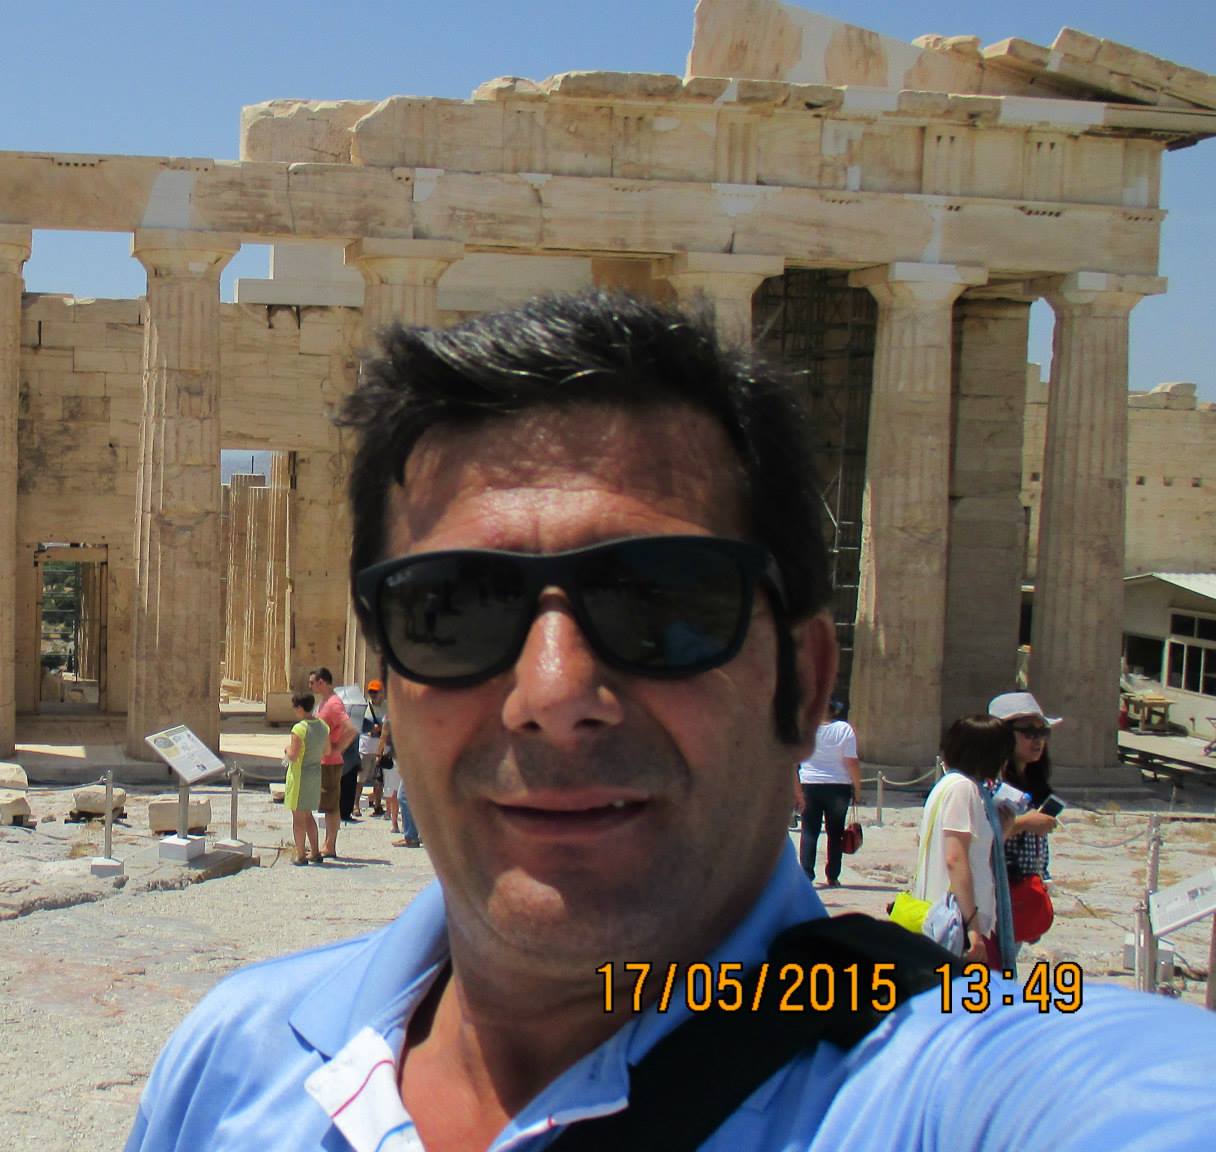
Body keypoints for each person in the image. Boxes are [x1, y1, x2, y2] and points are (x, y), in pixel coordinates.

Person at [126, 292, 1216, 1152]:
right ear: (388, 683)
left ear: (804, 683)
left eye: (662, 602)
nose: (553, 692)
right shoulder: (229, 1061)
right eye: (453, 609)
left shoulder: (956, 1087)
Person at [910, 716, 1009, 964]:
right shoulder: (962, 789)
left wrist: (1002, 829)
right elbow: (955, 858)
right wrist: (973, 927)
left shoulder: (947, 785)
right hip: (957, 924)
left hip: (947, 918)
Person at [989, 691, 1060, 949]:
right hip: (995, 897)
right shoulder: (990, 783)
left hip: (1023, 895)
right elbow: (981, 840)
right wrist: (1024, 823)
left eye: (1042, 732)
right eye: (1029, 732)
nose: (1038, 740)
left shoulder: (1033, 781)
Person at [794, 698, 859, 887]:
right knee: (835, 832)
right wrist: (858, 788)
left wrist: (797, 791)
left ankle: (806, 874)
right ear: (834, 711)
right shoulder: (844, 729)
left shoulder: (805, 729)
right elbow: (851, 762)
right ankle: (833, 876)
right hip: (838, 786)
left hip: (810, 784)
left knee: (809, 831)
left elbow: (793, 763)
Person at [307, 668, 354, 858]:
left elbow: (350, 729)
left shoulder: (334, 704)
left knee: (331, 805)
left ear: (322, 682)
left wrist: (338, 748)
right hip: (322, 760)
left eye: (312, 682)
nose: (310, 686)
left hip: (330, 762)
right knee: (326, 804)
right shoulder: (323, 702)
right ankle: (327, 843)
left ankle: (330, 845)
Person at [283, 692, 329, 865]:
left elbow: (293, 755)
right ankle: (315, 852)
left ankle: (301, 855)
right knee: (308, 815)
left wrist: (287, 750)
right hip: (315, 773)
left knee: (298, 818)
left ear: (300, 708)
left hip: (300, 776)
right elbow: (327, 750)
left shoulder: (299, 729)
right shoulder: (323, 726)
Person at [359, 680, 388, 817]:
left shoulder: (387, 707)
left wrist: (381, 728)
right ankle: (355, 806)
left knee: (379, 779)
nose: (373, 694)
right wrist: (371, 728)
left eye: (375, 691)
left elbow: (390, 725)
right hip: (366, 746)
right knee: (361, 778)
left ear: (382, 692)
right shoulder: (364, 707)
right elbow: (358, 724)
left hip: (381, 748)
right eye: (371, 691)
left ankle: (377, 805)